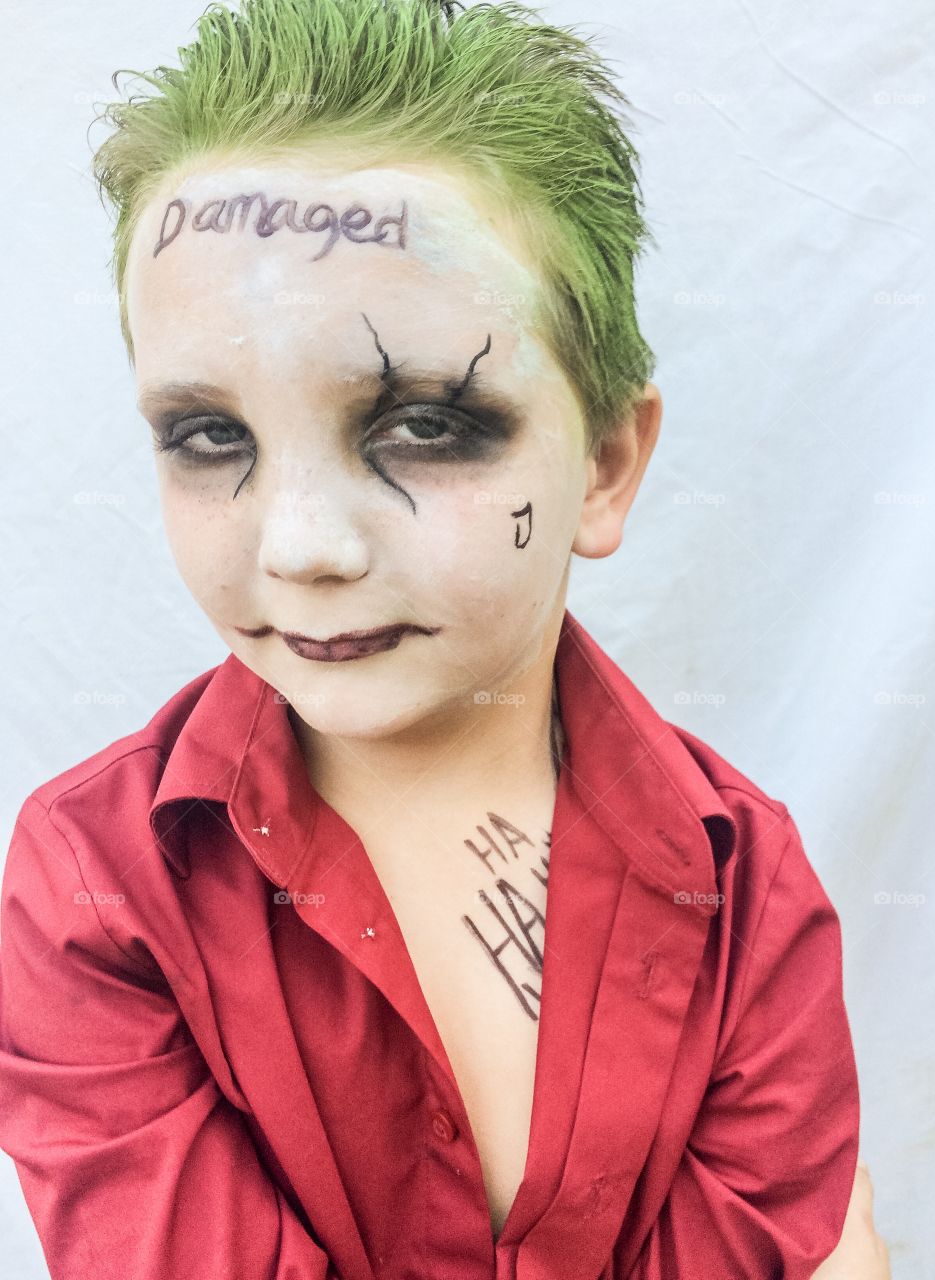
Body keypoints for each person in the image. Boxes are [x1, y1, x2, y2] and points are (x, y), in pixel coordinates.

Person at [0, 0, 886, 1276]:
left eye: (422, 423)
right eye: (211, 435)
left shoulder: (749, 893)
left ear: (606, 463)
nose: (301, 541)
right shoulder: (97, 890)